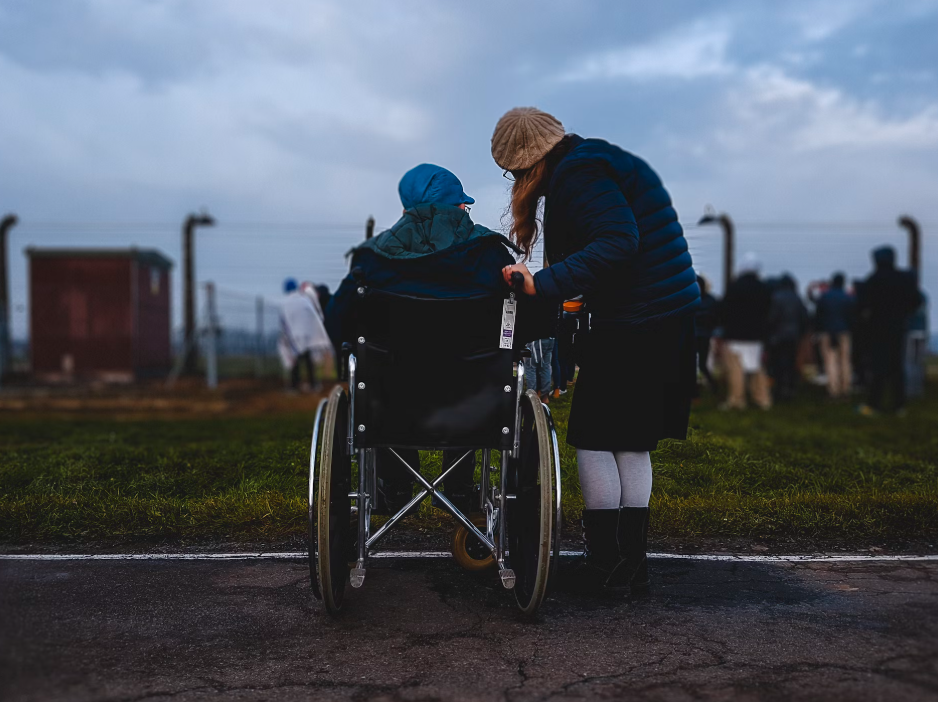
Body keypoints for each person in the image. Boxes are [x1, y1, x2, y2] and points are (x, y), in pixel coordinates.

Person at [492, 107, 700, 596]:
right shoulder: (597, 160)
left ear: (530, 163)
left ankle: (605, 561)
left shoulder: (579, 174)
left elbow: (618, 240)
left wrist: (542, 283)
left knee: (592, 436)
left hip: (637, 319)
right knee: (629, 439)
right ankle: (630, 563)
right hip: (664, 315)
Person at [325, 163, 548, 515]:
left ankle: (395, 487)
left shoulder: (372, 259)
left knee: (384, 380)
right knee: (471, 377)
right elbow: (530, 324)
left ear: (406, 209)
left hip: (390, 405)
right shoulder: (491, 255)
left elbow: (337, 323)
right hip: (474, 405)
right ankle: (459, 489)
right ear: (459, 207)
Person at [856, 247, 923, 414]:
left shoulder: (873, 279)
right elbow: (917, 300)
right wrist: (904, 312)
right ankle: (899, 405)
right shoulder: (904, 279)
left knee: (878, 367)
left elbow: (862, 304)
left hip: (878, 329)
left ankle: (874, 404)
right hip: (899, 328)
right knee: (897, 367)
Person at [719, 253, 772, 410]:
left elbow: (724, 310)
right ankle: (762, 399)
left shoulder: (734, 287)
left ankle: (737, 400)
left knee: (736, 369)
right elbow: (769, 311)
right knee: (757, 368)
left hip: (735, 335)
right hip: (756, 335)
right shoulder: (763, 288)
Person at [278, 278, 332, 392]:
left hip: (294, 336)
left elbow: (284, 321)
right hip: (308, 335)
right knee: (308, 361)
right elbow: (314, 315)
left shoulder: (285, 303)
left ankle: (294, 386)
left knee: (295, 362)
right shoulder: (304, 300)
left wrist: (286, 337)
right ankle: (313, 385)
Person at [813, 272, 855, 399]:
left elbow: (818, 315)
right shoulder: (848, 297)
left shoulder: (824, 297)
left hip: (827, 332)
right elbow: (852, 316)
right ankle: (845, 389)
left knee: (830, 362)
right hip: (844, 332)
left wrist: (818, 330)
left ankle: (833, 390)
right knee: (845, 361)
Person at [767, 274, 808, 402]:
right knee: (790, 363)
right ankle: (790, 388)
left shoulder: (776, 297)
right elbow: (804, 317)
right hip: (793, 336)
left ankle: (780, 389)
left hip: (777, 336)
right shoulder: (797, 298)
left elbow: (772, 318)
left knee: (778, 364)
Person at [694, 275, 719, 393]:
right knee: (703, 364)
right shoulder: (711, 300)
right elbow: (717, 318)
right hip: (705, 335)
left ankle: (695, 389)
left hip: (692, 335)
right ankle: (713, 387)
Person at [525, 337, 554, 403]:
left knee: (531, 367)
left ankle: (531, 397)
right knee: (545, 368)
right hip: (550, 338)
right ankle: (545, 396)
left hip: (537, 339)